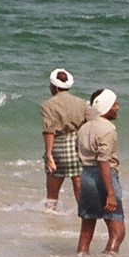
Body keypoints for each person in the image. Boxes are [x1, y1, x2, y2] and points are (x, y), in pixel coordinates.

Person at [76, 89, 124, 256]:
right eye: (115, 104)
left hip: (86, 176)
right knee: (117, 232)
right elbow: (103, 161)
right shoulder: (108, 129)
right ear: (108, 107)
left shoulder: (84, 128)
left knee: (86, 231)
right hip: (104, 177)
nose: (117, 107)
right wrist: (110, 192)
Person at [41, 68, 89, 212]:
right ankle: (84, 216)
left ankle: (51, 216)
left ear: (54, 87)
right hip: (77, 148)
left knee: (52, 194)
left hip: (58, 149)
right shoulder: (81, 103)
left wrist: (49, 154)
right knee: (79, 188)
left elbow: (49, 131)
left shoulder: (47, 105)